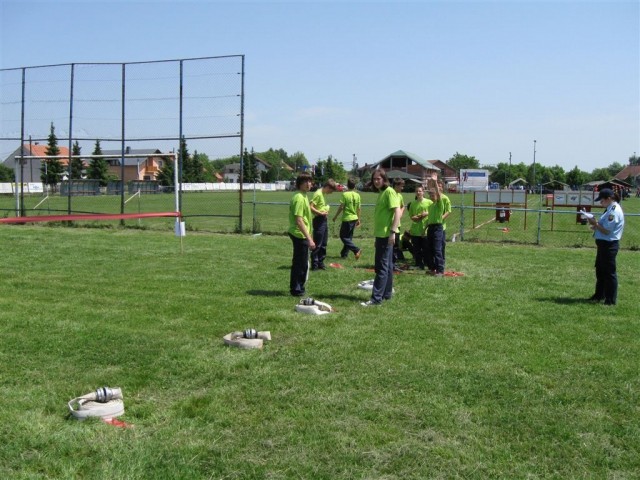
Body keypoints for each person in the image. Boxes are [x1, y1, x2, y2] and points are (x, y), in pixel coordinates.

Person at [361, 169, 402, 306]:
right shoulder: (382, 193)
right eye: (374, 179)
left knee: (381, 267)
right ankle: (387, 293)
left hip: (386, 235)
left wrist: (392, 232)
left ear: (384, 179)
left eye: (379, 179)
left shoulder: (389, 192)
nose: (376, 181)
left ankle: (376, 298)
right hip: (381, 235)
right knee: (388, 266)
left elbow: (397, 212)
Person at [585, 188, 625, 305]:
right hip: (603, 245)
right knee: (600, 271)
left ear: (609, 199)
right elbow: (604, 226)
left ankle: (610, 300)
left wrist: (595, 224)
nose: (600, 203)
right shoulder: (609, 209)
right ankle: (599, 295)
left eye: (602, 200)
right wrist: (596, 226)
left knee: (609, 273)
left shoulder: (613, 211)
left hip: (609, 245)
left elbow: (607, 231)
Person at [288, 173, 315, 296]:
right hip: (299, 234)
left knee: (302, 263)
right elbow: (299, 220)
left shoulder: (304, 195)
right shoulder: (299, 197)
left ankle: (298, 287)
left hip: (303, 234)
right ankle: (296, 289)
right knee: (300, 263)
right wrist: (309, 239)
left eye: (310, 181)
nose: (309, 184)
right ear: (299, 183)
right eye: (306, 182)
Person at [425, 175, 451, 276]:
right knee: (430, 249)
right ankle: (433, 268)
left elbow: (439, 195)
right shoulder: (430, 206)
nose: (432, 197)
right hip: (431, 228)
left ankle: (440, 270)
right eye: (430, 195)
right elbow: (429, 220)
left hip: (438, 228)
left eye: (433, 195)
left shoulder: (439, 204)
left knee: (437, 249)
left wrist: (435, 182)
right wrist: (425, 229)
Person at [310, 178, 337, 270]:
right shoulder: (318, 194)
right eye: (331, 191)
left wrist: (326, 209)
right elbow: (311, 207)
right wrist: (320, 213)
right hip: (318, 220)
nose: (331, 193)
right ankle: (314, 264)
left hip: (323, 220)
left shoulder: (323, 194)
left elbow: (320, 206)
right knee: (318, 244)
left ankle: (321, 262)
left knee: (324, 243)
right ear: (328, 187)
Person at [332, 177, 362, 260]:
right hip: (354, 218)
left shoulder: (345, 194)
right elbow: (359, 208)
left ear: (347, 185)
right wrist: (358, 219)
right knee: (349, 237)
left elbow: (341, 207)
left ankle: (357, 250)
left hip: (347, 218)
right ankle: (344, 254)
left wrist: (335, 216)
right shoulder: (357, 195)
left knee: (343, 237)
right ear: (354, 186)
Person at [407, 185, 432, 269]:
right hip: (415, 230)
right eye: (417, 191)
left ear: (423, 192)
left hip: (426, 229)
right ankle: (418, 264)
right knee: (416, 249)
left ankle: (427, 263)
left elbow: (434, 211)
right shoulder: (412, 204)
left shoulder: (429, 202)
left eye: (420, 191)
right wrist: (415, 217)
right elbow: (411, 216)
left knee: (426, 248)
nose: (418, 193)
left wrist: (426, 213)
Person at [391, 178, 406, 272]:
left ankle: (393, 264)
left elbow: (403, 206)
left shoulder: (400, 196)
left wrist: (400, 213)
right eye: (401, 186)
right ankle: (389, 264)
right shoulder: (391, 194)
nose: (402, 188)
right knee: (390, 245)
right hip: (390, 224)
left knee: (396, 245)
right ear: (396, 185)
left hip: (398, 224)